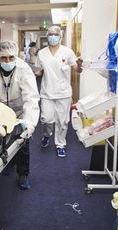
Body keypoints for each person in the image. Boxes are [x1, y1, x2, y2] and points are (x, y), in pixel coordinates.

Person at [0, 40, 40, 190]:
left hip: (20, 108)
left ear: (16, 56)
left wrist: (29, 123)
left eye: (11, 57)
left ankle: (23, 174)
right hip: (0, 110)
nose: (8, 61)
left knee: (22, 141)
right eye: (4, 58)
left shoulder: (24, 69)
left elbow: (31, 97)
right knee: (1, 138)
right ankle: (9, 163)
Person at [35, 25, 83, 157]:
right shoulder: (41, 53)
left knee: (62, 121)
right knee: (46, 119)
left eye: (55, 34)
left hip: (64, 92)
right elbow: (40, 71)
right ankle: (46, 135)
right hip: (47, 92)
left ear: (60, 37)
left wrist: (79, 65)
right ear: (47, 36)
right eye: (50, 34)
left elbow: (77, 69)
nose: (52, 37)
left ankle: (60, 144)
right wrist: (32, 73)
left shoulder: (67, 52)